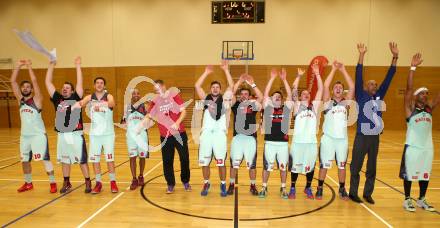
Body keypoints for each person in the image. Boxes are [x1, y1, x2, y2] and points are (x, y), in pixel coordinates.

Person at [349, 42, 399, 204]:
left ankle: (367, 193)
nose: (375, 85)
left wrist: (395, 57)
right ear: (365, 86)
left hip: (374, 137)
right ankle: (353, 192)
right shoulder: (361, 95)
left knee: (372, 168)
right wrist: (362, 54)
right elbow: (358, 74)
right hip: (362, 136)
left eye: (376, 85)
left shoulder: (379, 96)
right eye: (371, 84)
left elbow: (389, 77)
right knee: (356, 165)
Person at [11, 59, 57, 193]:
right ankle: (28, 183)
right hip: (25, 136)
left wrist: (29, 67)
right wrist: (19, 66)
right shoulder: (20, 100)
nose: (25, 88)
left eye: (28, 86)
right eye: (23, 86)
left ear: (31, 89)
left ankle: (53, 183)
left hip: (38, 135)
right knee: (24, 160)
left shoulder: (37, 100)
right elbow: (12, 82)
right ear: (21, 89)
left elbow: (35, 82)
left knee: (44, 158)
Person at [400, 53, 438, 212]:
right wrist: (413, 67)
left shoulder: (429, 109)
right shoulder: (410, 109)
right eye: (422, 93)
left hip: (427, 148)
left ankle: (422, 199)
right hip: (412, 147)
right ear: (416, 97)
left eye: (427, 93)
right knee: (410, 174)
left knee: (425, 174)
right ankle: (407, 199)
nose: (426, 95)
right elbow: (409, 88)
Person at [141, 80, 191, 193]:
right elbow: (149, 116)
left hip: (179, 133)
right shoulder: (155, 101)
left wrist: (177, 123)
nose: (157, 91)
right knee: (167, 160)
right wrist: (140, 126)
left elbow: (184, 112)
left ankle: (185, 181)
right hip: (165, 136)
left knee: (184, 158)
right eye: (155, 90)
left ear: (164, 86)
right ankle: (170, 184)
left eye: (158, 88)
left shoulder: (174, 96)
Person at [315, 61, 354, 200]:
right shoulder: (328, 102)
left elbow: (352, 86)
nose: (338, 88)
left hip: (342, 140)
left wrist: (343, 70)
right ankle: (319, 188)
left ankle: (342, 189)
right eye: (336, 87)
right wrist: (333, 69)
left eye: (340, 87)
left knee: (342, 166)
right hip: (328, 139)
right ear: (333, 91)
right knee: (324, 165)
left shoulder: (346, 103)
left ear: (343, 91)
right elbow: (325, 85)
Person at [194, 61, 234, 197]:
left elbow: (231, 86)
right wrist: (206, 72)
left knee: (220, 162)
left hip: (219, 135)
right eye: (213, 87)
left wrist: (226, 70)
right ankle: (206, 182)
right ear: (210, 89)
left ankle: (223, 184)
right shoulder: (206, 99)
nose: (215, 89)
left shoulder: (225, 100)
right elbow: (197, 86)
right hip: (206, 135)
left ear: (220, 89)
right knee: (205, 161)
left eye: (217, 87)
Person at [72, 77, 118, 194]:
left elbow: (112, 103)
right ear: (94, 85)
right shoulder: (89, 97)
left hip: (108, 134)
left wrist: (100, 104)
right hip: (95, 135)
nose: (99, 84)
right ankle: (98, 183)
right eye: (97, 83)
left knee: (109, 159)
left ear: (104, 85)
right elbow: (81, 103)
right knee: (95, 159)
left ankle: (113, 183)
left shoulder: (108, 96)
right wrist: (72, 107)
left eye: (101, 83)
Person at [289, 64, 323, 200]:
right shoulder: (297, 106)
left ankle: (308, 187)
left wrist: (317, 74)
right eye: (303, 94)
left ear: (309, 96)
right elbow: (293, 90)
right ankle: (292, 188)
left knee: (310, 166)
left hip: (311, 143)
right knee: (295, 166)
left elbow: (320, 89)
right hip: (298, 142)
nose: (305, 95)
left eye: (307, 94)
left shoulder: (314, 106)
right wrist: (298, 76)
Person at [259, 68, 293, 199]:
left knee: (283, 167)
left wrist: (284, 80)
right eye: (275, 96)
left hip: (283, 144)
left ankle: (283, 187)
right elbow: (266, 94)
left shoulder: (286, 108)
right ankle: (264, 186)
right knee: (267, 167)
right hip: (269, 143)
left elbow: (289, 96)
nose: (278, 97)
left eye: (280, 97)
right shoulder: (268, 108)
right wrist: (272, 78)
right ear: (271, 100)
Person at [227, 73, 263, 196]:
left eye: (246, 94)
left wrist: (252, 84)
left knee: (252, 165)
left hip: (251, 139)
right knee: (234, 164)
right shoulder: (235, 105)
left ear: (249, 96)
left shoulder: (253, 105)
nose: (243, 96)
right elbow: (231, 94)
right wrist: (239, 81)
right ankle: (231, 184)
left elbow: (261, 97)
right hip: (237, 139)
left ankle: (252, 186)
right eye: (241, 94)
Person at [122, 88, 149, 190]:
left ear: (140, 95)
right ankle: (134, 179)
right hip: (131, 136)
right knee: (132, 157)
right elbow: (123, 120)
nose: (136, 95)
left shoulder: (145, 106)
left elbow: (150, 118)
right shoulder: (127, 107)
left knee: (142, 157)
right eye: (134, 94)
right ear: (131, 96)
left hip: (142, 135)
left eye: (138, 93)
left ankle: (141, 175)